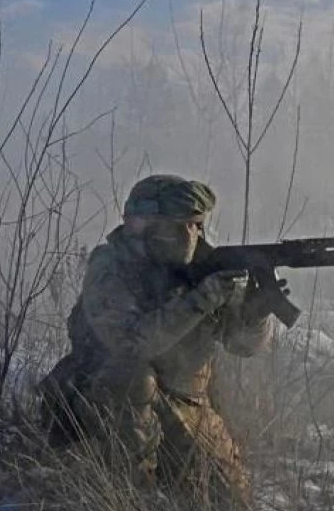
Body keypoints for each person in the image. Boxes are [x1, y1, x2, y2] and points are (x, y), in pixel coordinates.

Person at [37, 174, 274, 509]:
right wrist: (199, 301)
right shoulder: (111, 268)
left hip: (185, 402)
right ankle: (127, 495)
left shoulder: (206, 267)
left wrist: (257, 314)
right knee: (132, 376)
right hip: (104, 400)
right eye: (179, 225)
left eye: (196, 225)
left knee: (231, 501)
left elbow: (243, 346)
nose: (190, 235)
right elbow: (131, 343)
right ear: (142, 225)